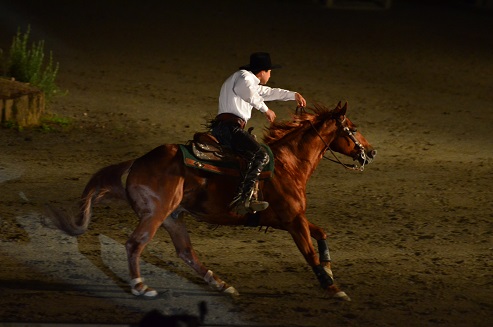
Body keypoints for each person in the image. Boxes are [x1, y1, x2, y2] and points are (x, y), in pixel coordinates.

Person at [210, 52, 306, 213]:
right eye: (270, 71)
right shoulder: (244, 77)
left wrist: (292, 95)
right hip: (229, 128)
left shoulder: (249, 82)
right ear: (263, 71)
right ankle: (244, 198)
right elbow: (246, 92)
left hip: (227, 127)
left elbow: (269, 92)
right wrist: (265, 109)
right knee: (261, 155)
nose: (270, 75)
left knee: (250, 156)